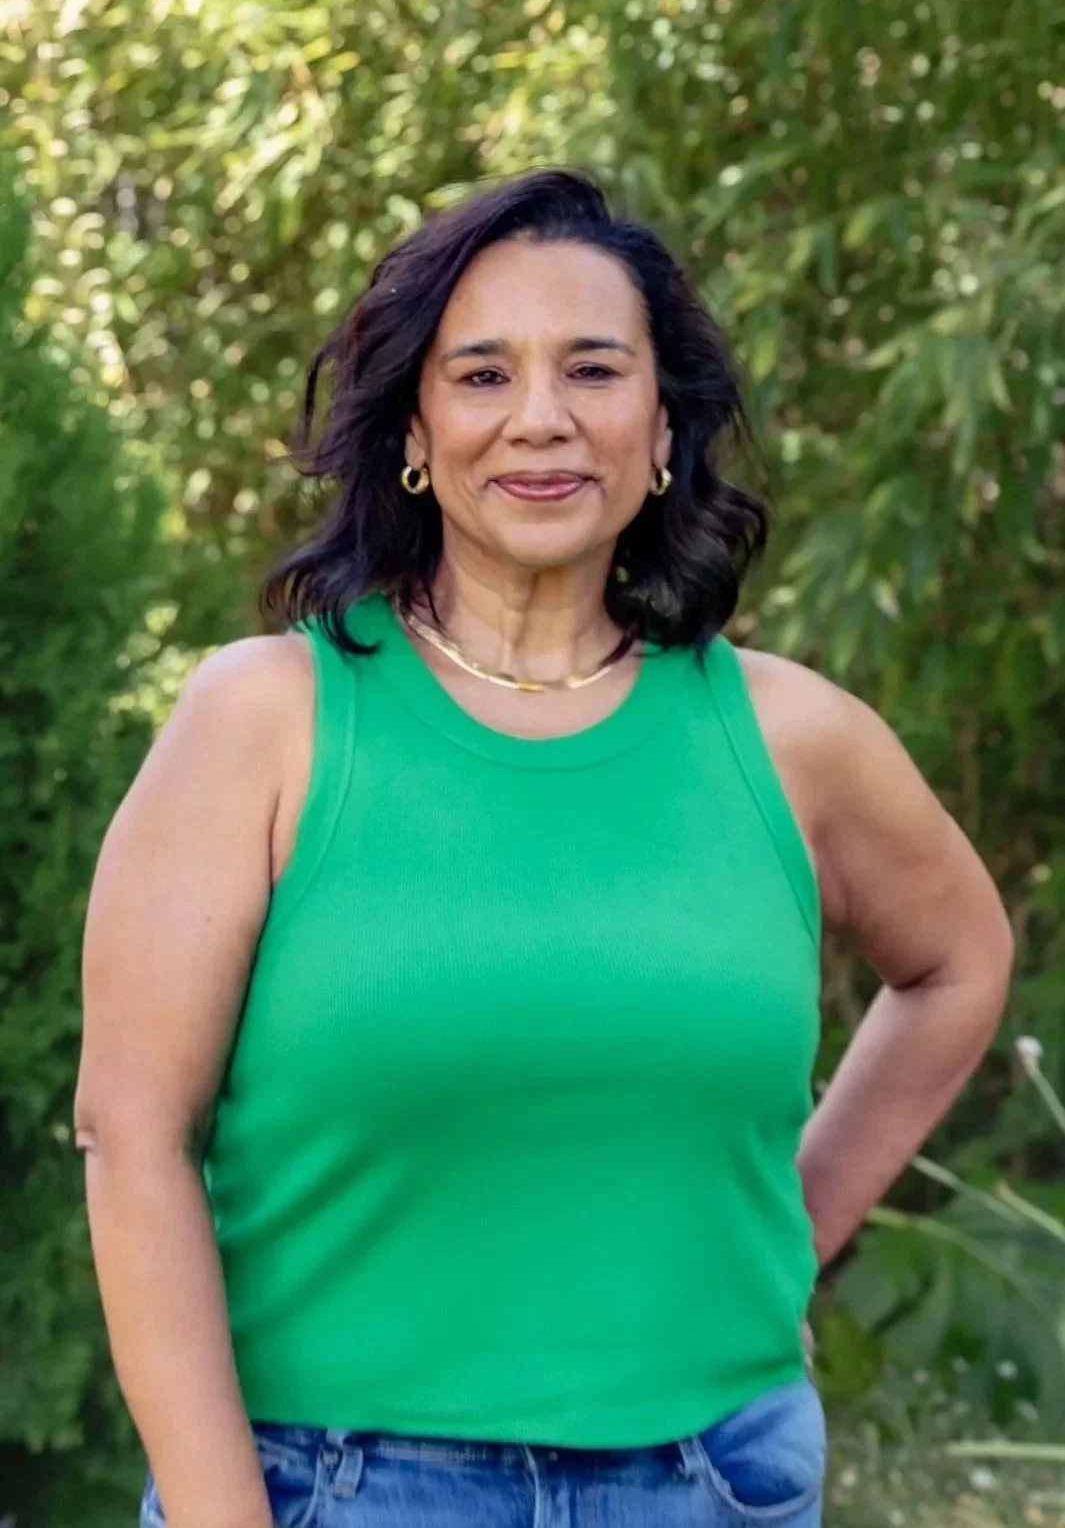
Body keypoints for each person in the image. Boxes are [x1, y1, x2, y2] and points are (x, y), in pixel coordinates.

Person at [74, 168, 1013, 1528]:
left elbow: (962, 961)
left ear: (666, 428)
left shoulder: (794, 738)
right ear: (416, 429)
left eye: (592, 368)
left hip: (714, 1480)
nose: (540, 419)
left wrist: (785, 1249)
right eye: (482, 374)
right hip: (337, 1486)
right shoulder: (264, 721)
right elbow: (131, 1133)